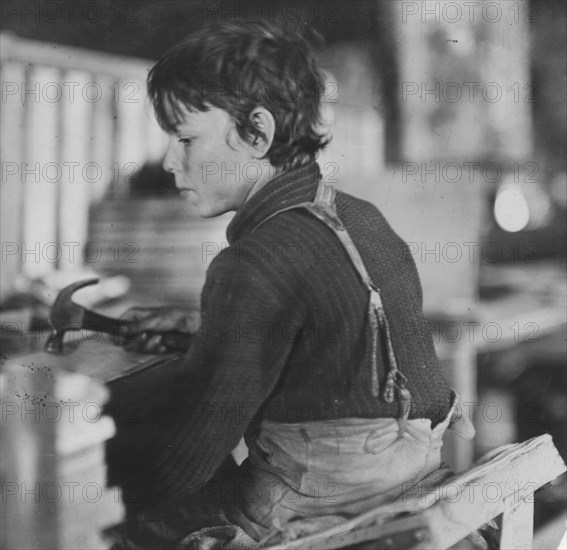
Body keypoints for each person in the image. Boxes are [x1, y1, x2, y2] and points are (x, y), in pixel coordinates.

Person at [112, 20, 481, 550]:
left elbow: (190, 456)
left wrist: (97, 493)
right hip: (410, 480)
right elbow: (337, 337)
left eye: (185, 138)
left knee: (127, 516)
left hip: (313, 510)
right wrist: (204, 328)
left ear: (256, 133)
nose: (171, 161)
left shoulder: (254, 260)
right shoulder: (361, 216)